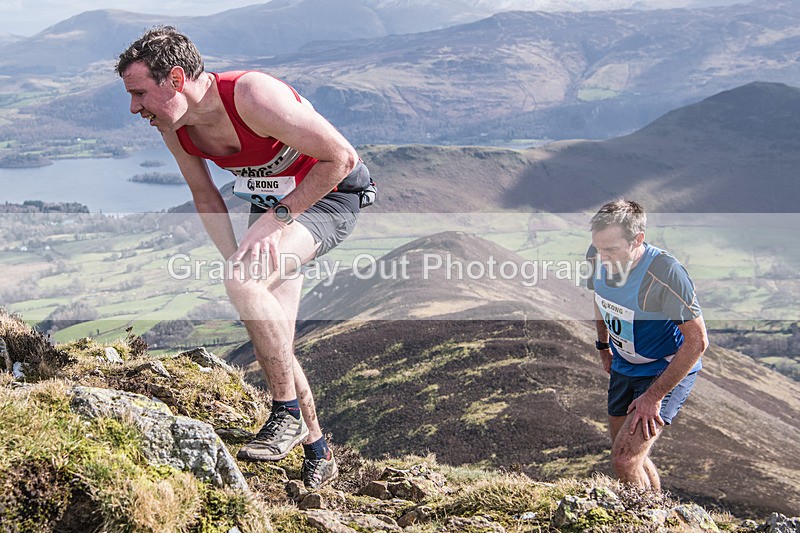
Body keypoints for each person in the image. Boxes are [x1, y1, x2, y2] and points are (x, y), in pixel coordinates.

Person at [116, 26, 374, 489]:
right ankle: (318, 448)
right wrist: (234, 258)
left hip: (328, 195)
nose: (134, 108)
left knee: (246, 284)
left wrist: (273, 223)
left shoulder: (252, 96)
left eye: (139, 93)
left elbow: (341, 158)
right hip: (274, 204)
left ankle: (286, 414)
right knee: (272, 332)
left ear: (175, 78)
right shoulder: (174, 125)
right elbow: (205, 194)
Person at [586, 199, 708, 490]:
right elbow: (600, 298)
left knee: (624, 460)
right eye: (598, 248)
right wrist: (603, 347)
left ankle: (644, 521)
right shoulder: (599, 255)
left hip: (663, 368)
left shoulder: (666, 273)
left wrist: (653, 397)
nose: (601, 257)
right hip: (625, 366)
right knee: (627, 453)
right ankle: (656, 510)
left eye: (611, 250)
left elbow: (698, 341)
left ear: (637, 239)